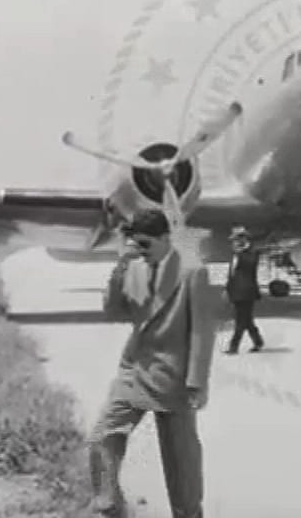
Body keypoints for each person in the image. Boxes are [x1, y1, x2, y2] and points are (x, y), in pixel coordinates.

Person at [89, 209, 217, 518]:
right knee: (103, 435)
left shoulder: (192, 272)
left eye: (146, 244)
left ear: (165, 239)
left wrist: (197, 382)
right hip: (133, 368)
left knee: (180, 460)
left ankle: (188, 513)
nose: (141, 251)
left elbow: (202, 330)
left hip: (172, 376)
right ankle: (108, 503)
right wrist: (121, 265)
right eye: (136, 244)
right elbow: (113, 310)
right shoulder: (133, 267)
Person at [224, 226, 264, 354]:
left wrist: (241, 252)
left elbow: (250, 266)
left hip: (246, 292)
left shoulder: (251, 253)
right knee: (246, 320)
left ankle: (233, 347)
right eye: (233, 240)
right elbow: (232, 274)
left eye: (236, 240)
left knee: (240, 320)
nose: (233, 243)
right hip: (236, 291)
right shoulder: (235, 254)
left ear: (243, 240)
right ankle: (258, 341)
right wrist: (227, 289)